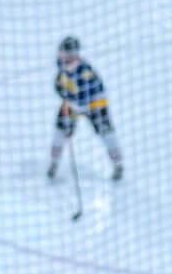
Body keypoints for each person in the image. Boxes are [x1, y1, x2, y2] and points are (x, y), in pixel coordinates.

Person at [49, 36, 124, 182]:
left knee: (106, 133)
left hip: (96, 105)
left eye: (69, 55)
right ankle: (53, 163)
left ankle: (118, 165)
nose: (65, 58)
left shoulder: (85, 72)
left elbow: (86, 94)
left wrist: (70, 98)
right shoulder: (62, 65)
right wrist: (61, 91)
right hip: (71, 105)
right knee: (60, 131)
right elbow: (59, 83)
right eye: (63, 53)